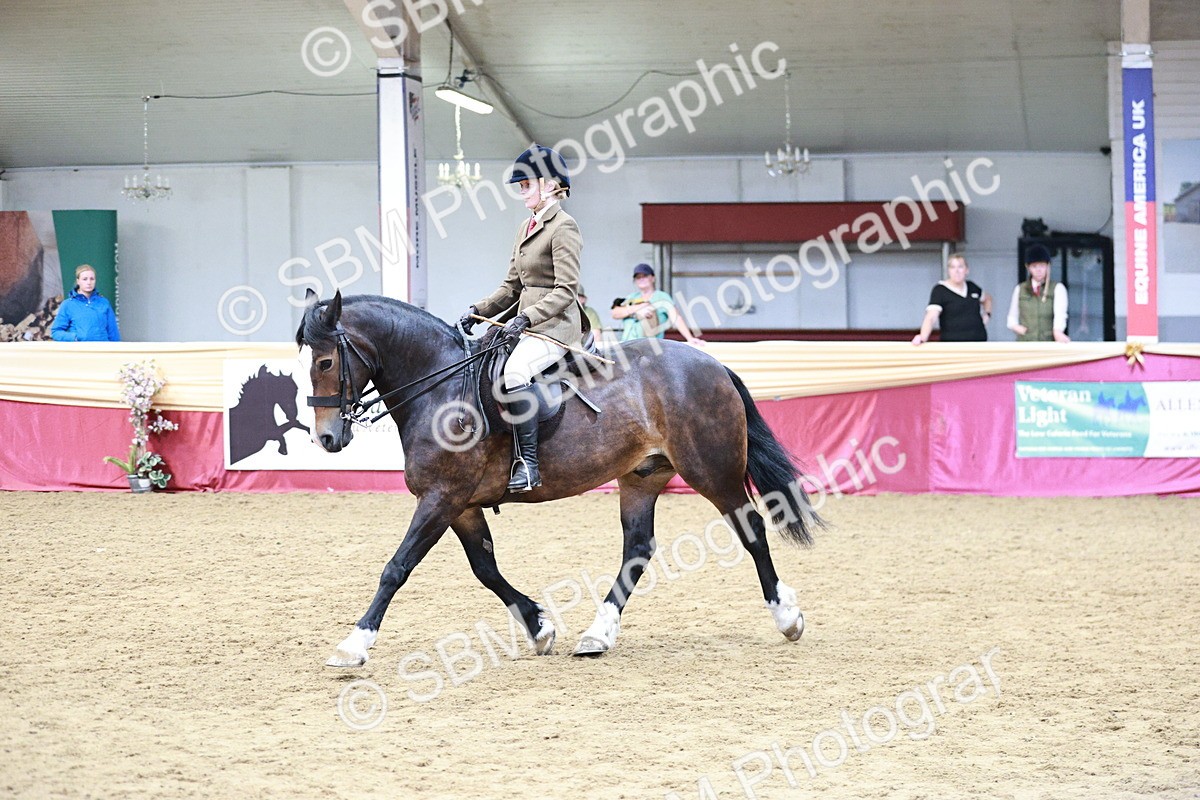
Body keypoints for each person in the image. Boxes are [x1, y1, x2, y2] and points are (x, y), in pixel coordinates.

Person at [458, 144, 581, 493]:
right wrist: (478, 311)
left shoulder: (564, 227)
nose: (521, 192)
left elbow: (566, 290)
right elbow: (511, 287)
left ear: (550, 185)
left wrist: (526, 318)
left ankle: (528, 464)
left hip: (555, 326)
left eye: (527, 185)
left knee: (514, 374)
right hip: (524, 323)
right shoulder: (526, 227)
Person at [612, 263, 704, 345]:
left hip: (651, 347)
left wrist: (690, 338)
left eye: (645, 276)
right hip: (627, 345)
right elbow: (615, 313)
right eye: (638, 277)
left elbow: (676, 318)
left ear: (653, 278)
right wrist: (638, 310)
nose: (641, 279)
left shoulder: (662, 297)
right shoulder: (631, 297)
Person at [911, 253, 990, 345]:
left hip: (979, 343)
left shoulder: (972, 287)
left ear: (967, 270)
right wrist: (923, 336)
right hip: (952, 345)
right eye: (952, 267)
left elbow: (987, 299)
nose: (957, 271)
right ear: (948, 271)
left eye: (960, 267)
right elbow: (931, 317)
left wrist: (987, 315)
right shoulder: (940, 290)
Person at [1007, 244, 1070, 342]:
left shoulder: (1057, 288)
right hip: (1025, 344)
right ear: (1028, 267)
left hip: (1048, 343)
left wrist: (1057, 331)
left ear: (1048, 266)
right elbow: (1011, 317)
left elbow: (1060, 315)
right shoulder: (1020, 289)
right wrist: (1019, 329)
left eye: (1042, 266)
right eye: (1034, 266)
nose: (1038, 270)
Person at [50, 264, 121, 342]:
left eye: (92, 279)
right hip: (80, 351)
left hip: (102, 351)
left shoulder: (104, 303)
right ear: (78, 281)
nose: (89, 282)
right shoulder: (68, 304)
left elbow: (113, 334)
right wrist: (75, 337)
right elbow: (56, 332)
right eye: (85, 279)